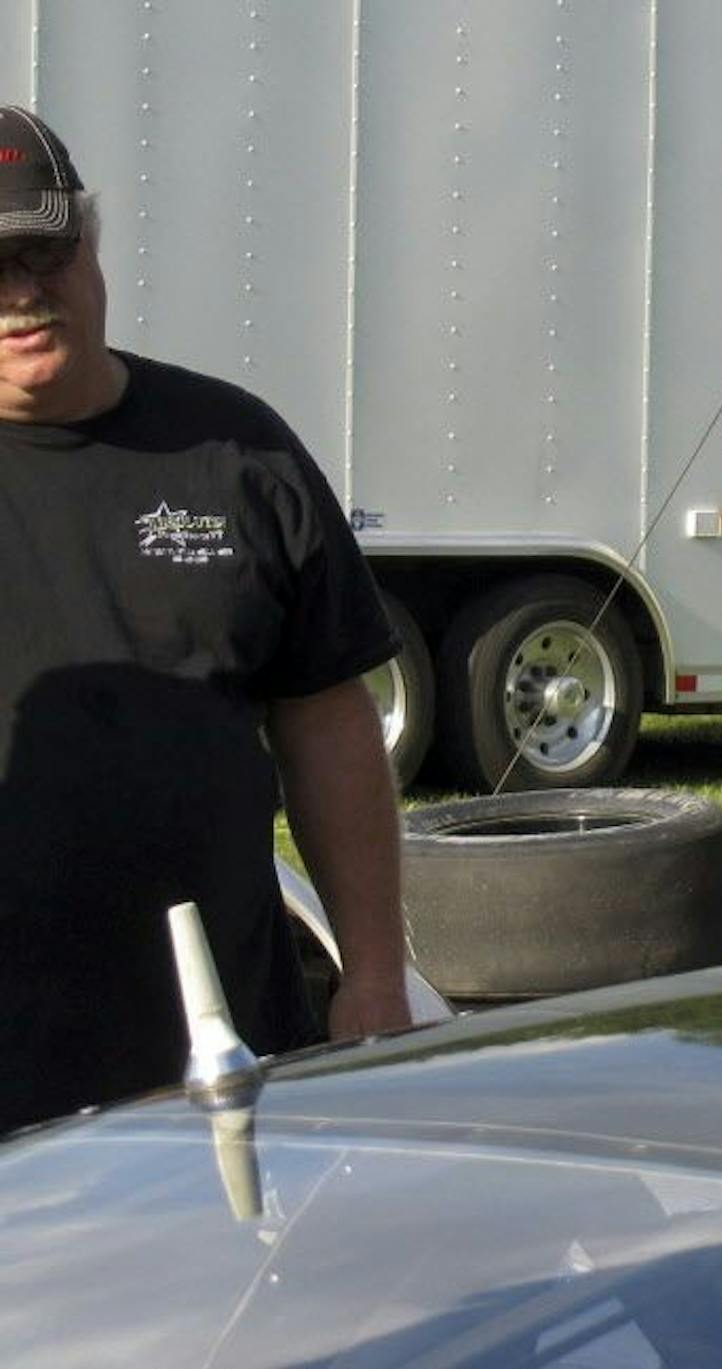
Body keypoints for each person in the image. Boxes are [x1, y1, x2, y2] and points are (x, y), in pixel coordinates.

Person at [0, 105, 412, 1131]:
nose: (23, 294)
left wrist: (372, 972)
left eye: (45, 253)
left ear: (92, 246)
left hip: (221, 1058)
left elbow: (326, 719)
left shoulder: (235, 450)